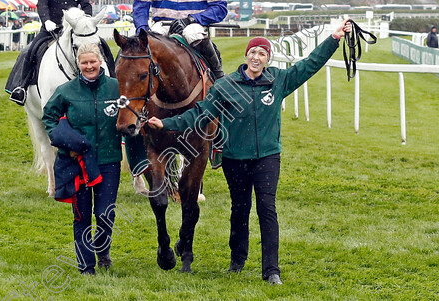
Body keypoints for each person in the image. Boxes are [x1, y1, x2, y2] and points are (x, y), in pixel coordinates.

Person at [146, 20, 352, 285]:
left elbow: (311, 64)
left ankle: (271, 270)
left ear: (267, 59)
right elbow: (200, 114)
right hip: (235, 159)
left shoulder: (279, 80)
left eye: (262, 54)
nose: (257, 57)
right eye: (253, 52)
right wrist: (165, 123)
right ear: (247, 56)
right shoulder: (226, 86)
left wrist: (334, 38)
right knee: (240, 210)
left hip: (267, 157)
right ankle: (237, 261)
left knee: (267, 208)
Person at [42, 43, 125, 275]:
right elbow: (49, 117)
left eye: (93, 61)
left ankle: (103, 250)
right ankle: (86, 266)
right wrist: (63, 141)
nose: (89, 66)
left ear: (100, 62)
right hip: (76, 163)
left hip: (108, 160)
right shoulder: (66, 90)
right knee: (82, 215)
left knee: (104, 212)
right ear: (78, 64)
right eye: (84, 62)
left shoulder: (116, 88)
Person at [5, 0, 95, 105]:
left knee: (102, 48)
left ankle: (111, 79)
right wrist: (46, 20)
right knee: (30, 51)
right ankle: (21, 87)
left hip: (75, 30)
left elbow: (86, 5)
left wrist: (84, 20)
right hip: (51, 29)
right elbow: (42, 6)